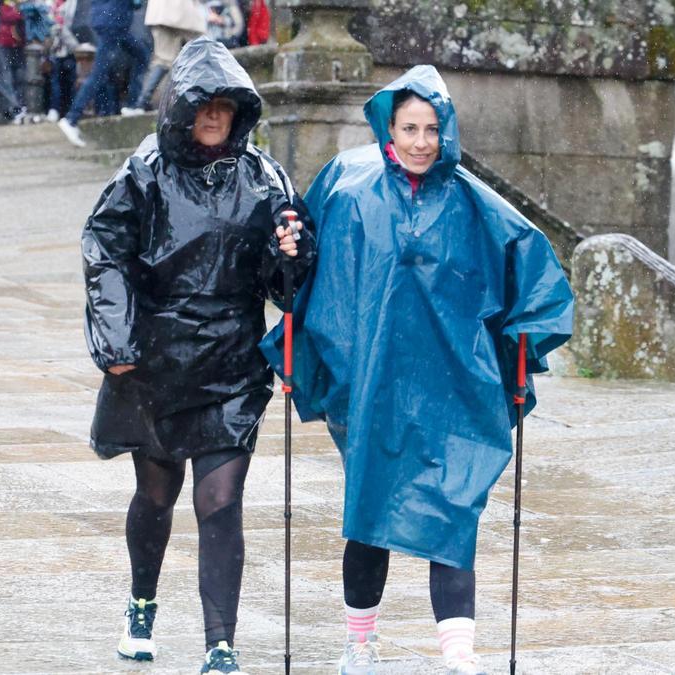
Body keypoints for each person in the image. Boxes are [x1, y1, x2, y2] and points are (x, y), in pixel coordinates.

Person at [261, 65, 574, 675]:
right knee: (372, 513)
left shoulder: (477, 206)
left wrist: (522, 347)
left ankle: (460, 657)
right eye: (410, 128)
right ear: (390, 129)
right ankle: (360, 643)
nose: (422, 141)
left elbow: (532, 272)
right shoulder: (349, 192)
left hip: (455, 388)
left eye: (433, 128)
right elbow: (309, 280)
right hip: (372, 383)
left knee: (454, 511)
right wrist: (301, 340)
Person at [82, 36, 314, 675]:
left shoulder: (265, 178)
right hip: (157, 362)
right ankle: (141, 604)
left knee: (220, 501)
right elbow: (105, 249)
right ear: (181, 110)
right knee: (156, 497)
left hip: (234, 366)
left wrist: (295, 253)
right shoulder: (144, 171)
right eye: (203, 107)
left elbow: (283, 284)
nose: (214, 118)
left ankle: (221, 643)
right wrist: (117, 341)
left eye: (226, 107)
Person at [55, 0, 146, 144]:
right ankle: (71, 119)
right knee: (98, 74)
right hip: (115, 21)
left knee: (141, 56)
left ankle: (132, 105)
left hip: (107, 19)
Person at [119, 0, 203, 116]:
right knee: (202, 53)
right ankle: (207, 98)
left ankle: (140, 104)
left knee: (163, 61)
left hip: (160, 13)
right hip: (183, 12)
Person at [45, 0, 78, 122]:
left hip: (71, 48)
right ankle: (55, 109)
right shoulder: (50, 4)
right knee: (55, 82)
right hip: (55, 50)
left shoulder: (73, 3)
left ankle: (70, 111)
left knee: (71, 82)